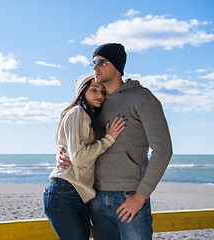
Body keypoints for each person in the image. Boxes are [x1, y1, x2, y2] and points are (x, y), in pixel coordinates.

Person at [57, 43, 173, 240]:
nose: (95, 68)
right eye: (93, 63)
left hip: (129, 196)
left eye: (101, 62)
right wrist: (62, 153)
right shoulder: (96, 102)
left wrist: (140, 196)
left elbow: (163, 149)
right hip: (95, 196)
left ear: (117, 66)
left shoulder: (142, 98)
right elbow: (75, 134)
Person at [44, 73, 126, 240]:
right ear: (82, 92)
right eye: (94, 89)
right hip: (65, 193)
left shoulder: (87, 116)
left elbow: (69, 150)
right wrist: (109, 139)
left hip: (79, 195)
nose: (100, 95)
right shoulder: (77, 112)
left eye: (103, 91)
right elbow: (79, 157)